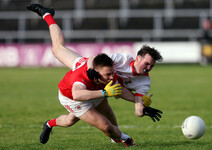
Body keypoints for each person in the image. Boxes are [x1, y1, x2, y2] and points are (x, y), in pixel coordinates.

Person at [27, 3, 163, 147]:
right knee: (72, 120)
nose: (148, 68)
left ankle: (116, 136)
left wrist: (141, 106)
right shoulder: (120, 60)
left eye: (151, 66)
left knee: (105, 113)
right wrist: (92, 72)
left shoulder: (143, 82)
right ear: (137, 58)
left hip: (101, 84)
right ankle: (47, 16)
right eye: (146, 64)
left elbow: (126, 96)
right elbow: (95, 62)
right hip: (81, 84)